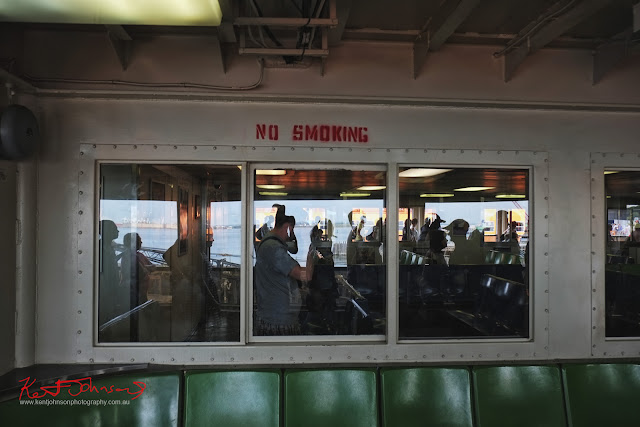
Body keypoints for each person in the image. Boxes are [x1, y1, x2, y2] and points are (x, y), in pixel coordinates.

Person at [254, 213, 314, 335]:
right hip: (278, 321)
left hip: (279, 316)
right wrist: (311, 254)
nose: (292, 235)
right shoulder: (273, 248)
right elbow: (305, 275)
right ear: (287, 227)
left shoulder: (271, 246)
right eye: (292, 230)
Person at [99, 220, 121, 325]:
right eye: (115, 229)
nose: (118, 231)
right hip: (105, 291)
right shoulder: (99, 248)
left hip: (111, 290)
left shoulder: (108, 247)